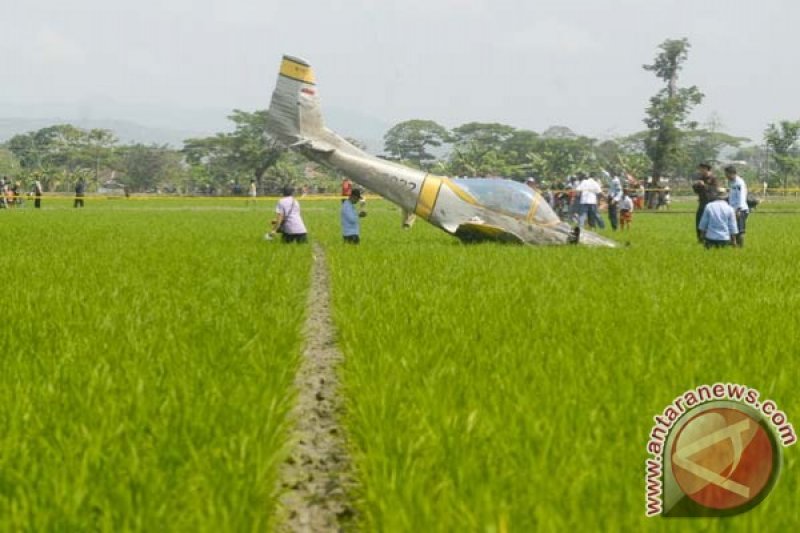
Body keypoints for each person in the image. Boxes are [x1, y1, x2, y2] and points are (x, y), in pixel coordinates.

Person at [692, 162, 718, 243]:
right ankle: (700, 239)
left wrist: (704, 186)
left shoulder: (713, 178)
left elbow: (714, 191)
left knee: (710, 222)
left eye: (702, 169)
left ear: (707, 168)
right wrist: (695, 186)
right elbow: (697, 191)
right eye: (700, 169)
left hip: (711, 203)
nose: (700, 170)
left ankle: (710, 239)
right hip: (702, 202)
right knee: (699, 221)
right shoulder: (700, 178)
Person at [725, 165, 749, 247]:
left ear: (733, 173)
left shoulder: (739, 182)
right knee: (733, 230)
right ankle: (734, 247)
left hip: (740, 210)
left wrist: (739, 209)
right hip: (733, 209)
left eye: (727, 174)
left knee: (740, 230)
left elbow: (741, 196)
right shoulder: (732, 182)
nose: (726, 176)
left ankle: (741, 248)